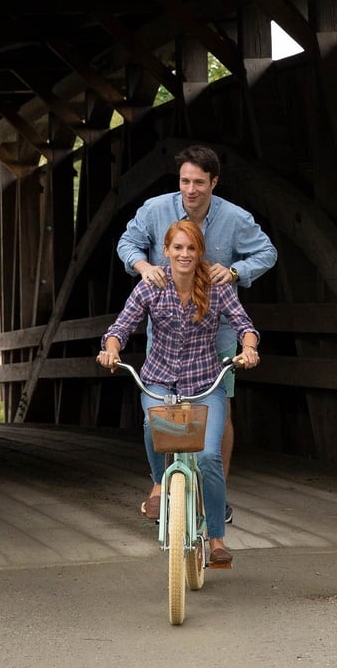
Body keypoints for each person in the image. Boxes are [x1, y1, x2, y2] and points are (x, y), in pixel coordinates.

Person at [116, 143, 275, 500]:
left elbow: (267, 252)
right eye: (185, 181)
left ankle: (214, 492)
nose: (191, 190)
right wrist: (143, 267)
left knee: (217, 407)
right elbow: (127, 243)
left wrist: (236, 271)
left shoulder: (235, 218)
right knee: (166, 409)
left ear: (214, 182)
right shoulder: (156, 210)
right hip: (170, 326)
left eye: (199, 182)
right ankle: (164, 481)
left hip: (219, 327)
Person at [99, 218, 259, 568]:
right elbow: (121, 327)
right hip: (159, 378)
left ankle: (215, 538)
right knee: (151, 425)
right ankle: (159, 485)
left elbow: (245, 326)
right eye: (178, 248)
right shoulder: (151, 286)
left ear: (199, 251)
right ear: (166, 251)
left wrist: (249, 349)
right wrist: (111, 349)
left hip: (205, 383)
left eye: (191, 248)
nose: (184, 254)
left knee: (208, 457)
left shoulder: (217, 288)